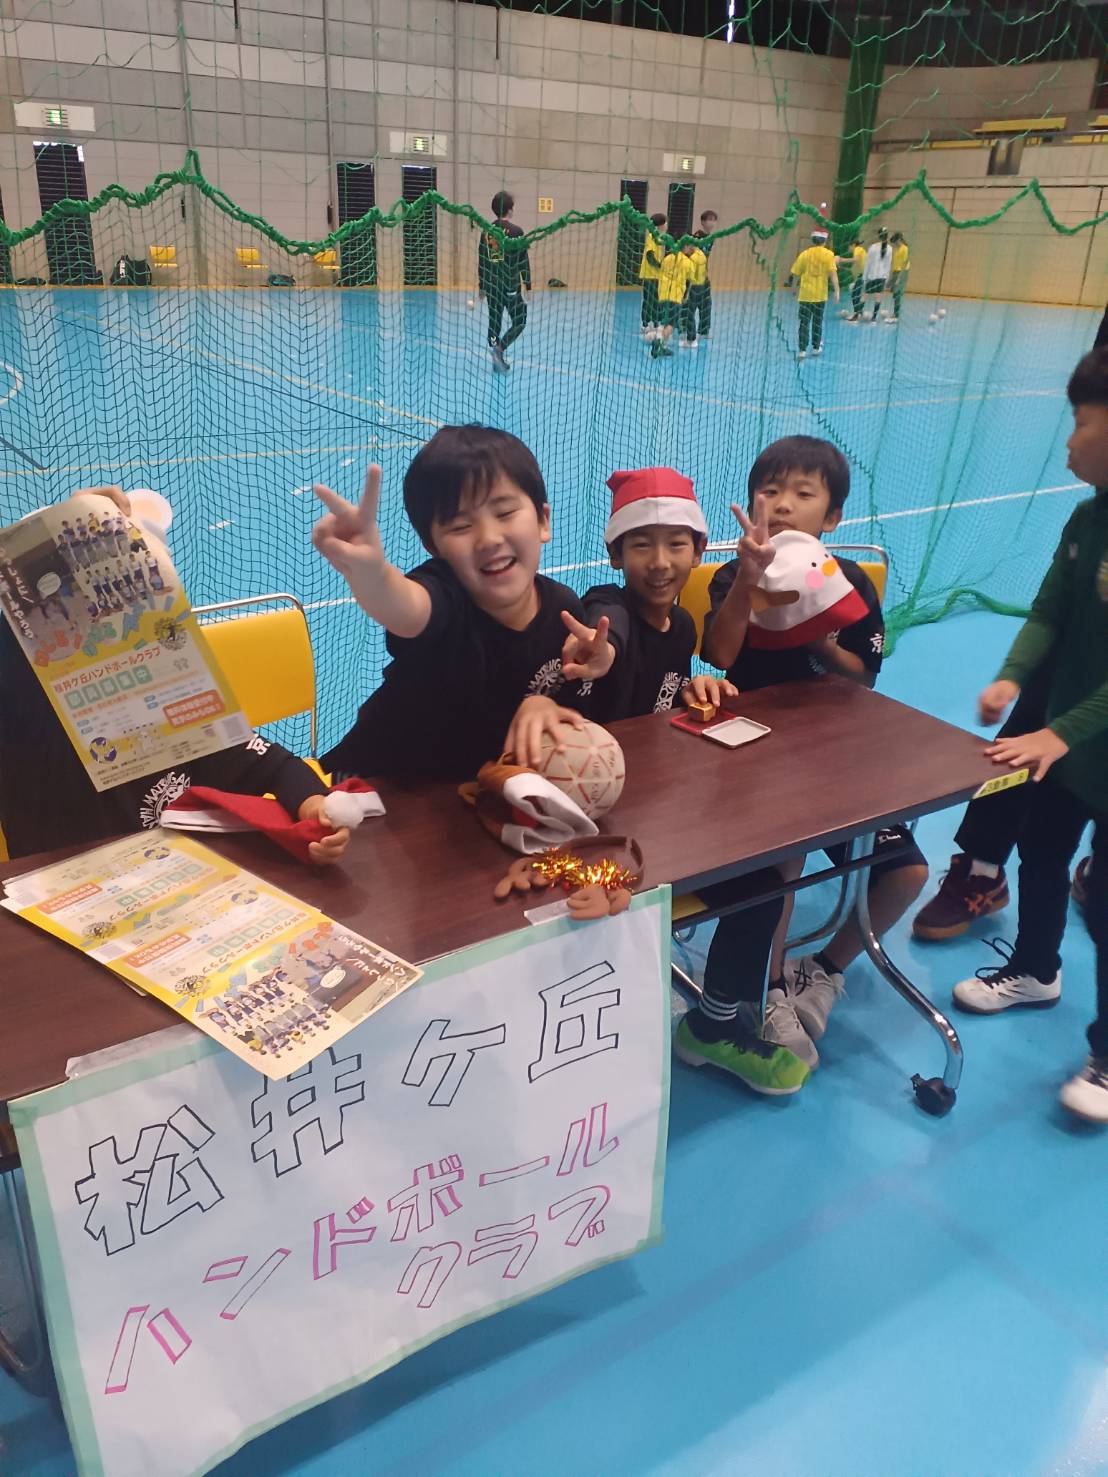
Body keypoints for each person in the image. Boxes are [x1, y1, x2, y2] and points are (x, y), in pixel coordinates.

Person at [566, 466, 809, 1096]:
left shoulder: (680, 629)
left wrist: (687, 690)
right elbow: (612, 638)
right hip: (584, 833)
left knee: (766, 873)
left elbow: (671, 680)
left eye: (676, 544)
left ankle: (712, 1024)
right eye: (640, 545)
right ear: (615, 553)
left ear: (699, 552)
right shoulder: (606, 606)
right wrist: (602, 653)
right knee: (590, 912)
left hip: (648, 814)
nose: (659, 561)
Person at [699, 436, 929, 1068]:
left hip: (832, 759)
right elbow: (719, 654)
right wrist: (750, 583)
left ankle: (824, 969)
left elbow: (862, 679)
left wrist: (821, 640)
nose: (782, 504)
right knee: (787, 862)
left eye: (803, 494)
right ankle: (769, 987)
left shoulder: (848, 583)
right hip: (750, 756)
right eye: (769, 491)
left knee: (906, 873)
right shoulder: (732, 577)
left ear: (832, 517)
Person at [0, 487, 349, 865]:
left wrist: (314, 806)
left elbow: (273, 765)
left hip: (173, 876)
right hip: (60, 882)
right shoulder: (26, 713)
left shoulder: (176, 706)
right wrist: (49, 545)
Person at [950, 348, 1108, 1124]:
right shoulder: (1086, 520)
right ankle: (1036, 969)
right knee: (1041, 853)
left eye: (1080, 422)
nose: (1068, 440)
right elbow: (1049, 610)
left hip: (1080, 740)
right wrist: (1013, 678)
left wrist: (1059, 733)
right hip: (1072, 748)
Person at [312, 425, 615, 784]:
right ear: (433, 547)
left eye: (504, 513)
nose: (488, 538)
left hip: (466, 791)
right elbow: (405, 608)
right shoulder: (445, 597)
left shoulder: (564, 611)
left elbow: (563, 712)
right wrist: (373, 574)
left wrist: (549, 702)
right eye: (460, 526)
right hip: (375, 784)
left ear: (542, 521)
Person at [477, 191, 531, 373]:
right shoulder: (516, 232)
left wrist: (482, 286)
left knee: (494, 323)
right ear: (510, 209)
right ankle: (500, 348)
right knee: (520, 320)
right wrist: (528, 285)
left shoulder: (488, 231)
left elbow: (482, 260)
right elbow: (523, 261)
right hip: (510, 285)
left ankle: (495, 351)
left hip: (492, 285)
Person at [787, 228, 839, 360]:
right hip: (820, 295)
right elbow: (833, 274)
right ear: (825, 241)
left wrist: (793, 288)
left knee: (804, 323)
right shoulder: (829, 255)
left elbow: (796, 274)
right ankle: (816, 348)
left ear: (812, 240)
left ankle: (802, 350)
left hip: (805, 295)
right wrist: (837, 291)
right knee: (817, 322)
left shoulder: (804, 254)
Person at [650, 241, 694, 360]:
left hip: (662, 294)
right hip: (675, 296)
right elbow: (689, 281)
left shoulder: (667, 258)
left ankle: (662, 346)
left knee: (664, 321)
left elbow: (661, 273)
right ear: (684, 246)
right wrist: (685, 296)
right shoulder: (687, 262)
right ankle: (659, 341)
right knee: (671, 323)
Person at [689, 209, 718, 339]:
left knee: (706, 304)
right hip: (694, 278)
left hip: (704, 276)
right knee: (691, 304)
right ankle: (685, 330)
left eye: (714, 220)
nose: (712, 223)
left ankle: (704, 331)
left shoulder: (711, 238)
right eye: (709, 220)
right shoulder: (697, 237)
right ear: (702, 222)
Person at [638, 212, 666, 340]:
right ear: (661, 225)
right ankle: (645, 324)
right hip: (650, 275)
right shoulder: (652, 237)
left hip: (656, 276)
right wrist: (660, 266)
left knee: (656, 301)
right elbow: (650, 255)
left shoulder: (659, 238)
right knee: (649, 300)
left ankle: (655, 324)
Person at [681, 237, 710, 348]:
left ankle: (691, 339)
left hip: (694, 288)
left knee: (689, 313)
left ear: (689, 246)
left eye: (684, 248)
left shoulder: (692, 259)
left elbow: (690, 278)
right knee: (702, 309)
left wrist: (685, 294)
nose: (684, 251)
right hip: (703, 286)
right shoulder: (701, 254)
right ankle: (702, 332)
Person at [863, 229, 893, 323]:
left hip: (871, 275)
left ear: (878, 236)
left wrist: (865, 276)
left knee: (864, 296)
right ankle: (874, 318)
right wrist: (886, 278)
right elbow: (888, 265)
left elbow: (868, 262)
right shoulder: (890, 248)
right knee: (878, 297)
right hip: (882, 276)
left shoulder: (873, 247)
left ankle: (856, 315)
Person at [837, 237, 866, 322]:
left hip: (863, 276)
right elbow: (856, 266)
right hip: (864, 275)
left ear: (853, 245)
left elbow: (855, 259)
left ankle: (856, 315)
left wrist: (842, 259)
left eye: (849, 246)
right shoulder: (862, 250)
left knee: (855, 294)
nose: (849, 248)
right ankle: (859, 312)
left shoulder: (857, 249)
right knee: (857, 294)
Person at [888, 232, 910, 323]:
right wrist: (892, 276)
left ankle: (896, 315)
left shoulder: (905, 249)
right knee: (894, 292)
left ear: (899, 240)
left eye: (895, 241)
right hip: (896, 272)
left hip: (901, 273)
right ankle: (895, 313)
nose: (894, 244)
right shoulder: (898, 249)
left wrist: (899, 278)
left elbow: (904, 264)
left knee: (897, 293)